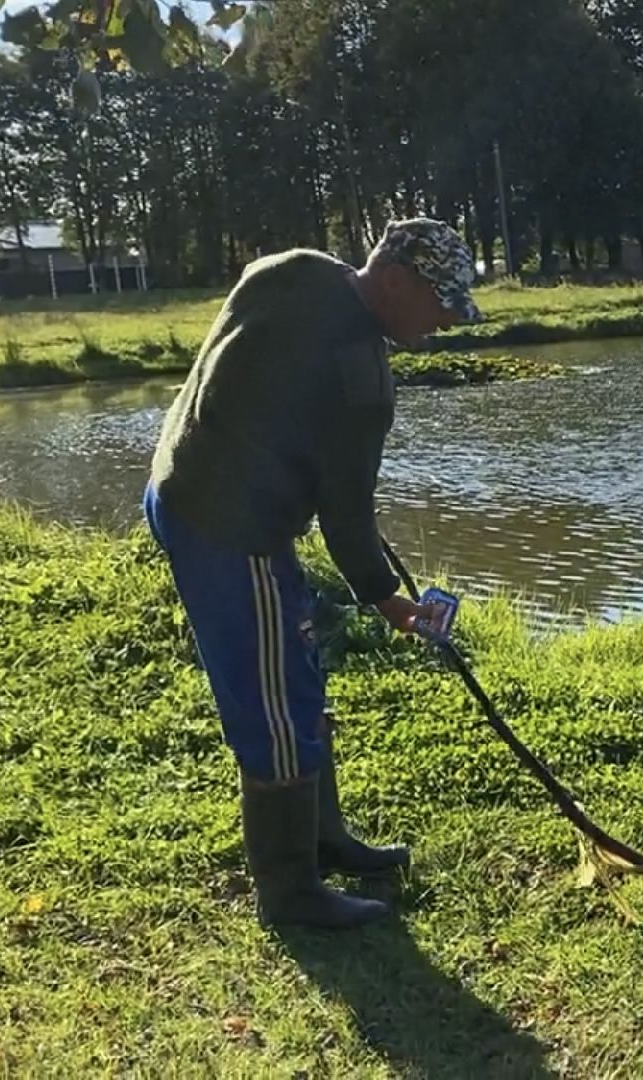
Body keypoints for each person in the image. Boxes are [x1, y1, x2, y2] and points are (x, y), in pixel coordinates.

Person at [141, 218, 481, 929]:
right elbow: (347, 515)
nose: (449, 318)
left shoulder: (293, 268)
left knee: (295, 668)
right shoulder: (360, 372)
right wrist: (394, 605)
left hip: (177, 478)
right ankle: (291, 894)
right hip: (229, 527)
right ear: (392, 280)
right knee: (275, 704)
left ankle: (323, 838)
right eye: (441, 300)